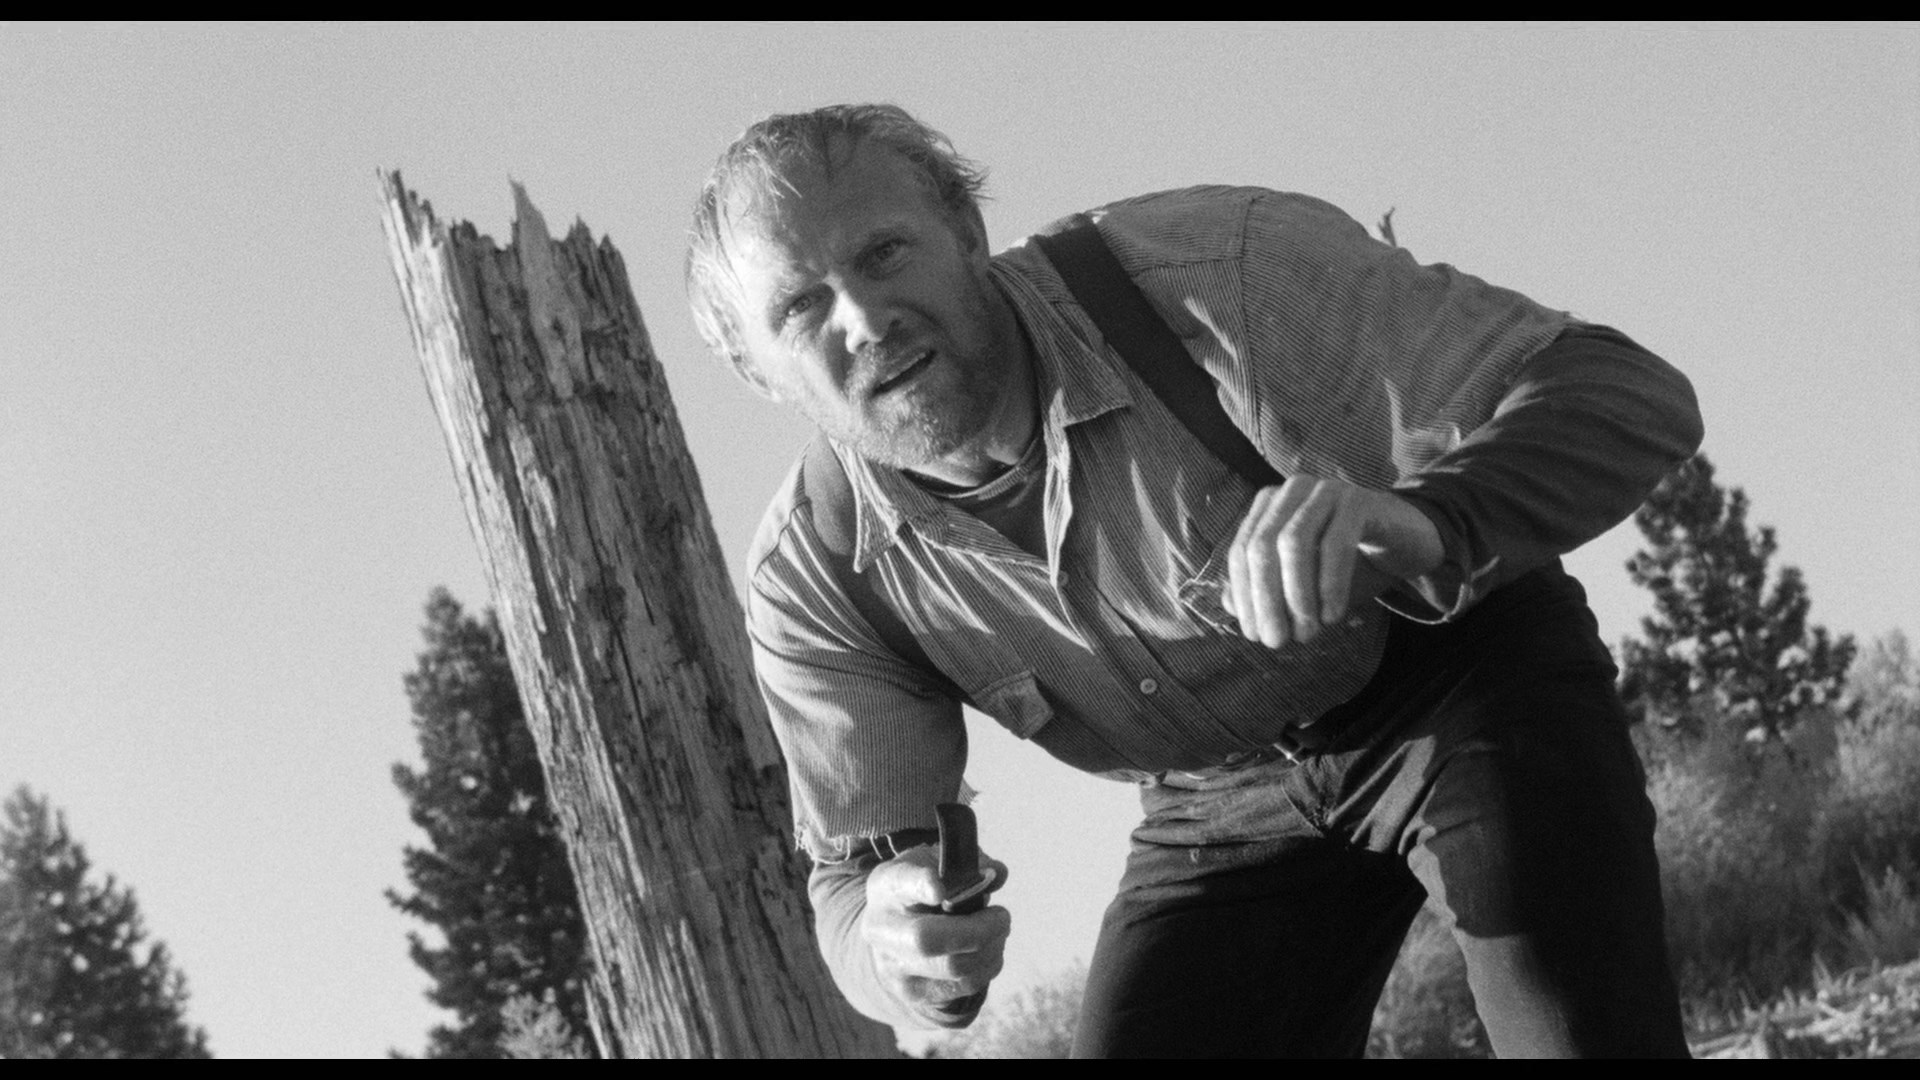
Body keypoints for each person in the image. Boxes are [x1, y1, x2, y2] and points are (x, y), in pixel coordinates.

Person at [684, 103, 1702, 1058]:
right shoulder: (820, 572)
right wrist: (898, 949)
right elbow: (855, 882)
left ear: (965, 233)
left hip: (1461, 677)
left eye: (885, 253)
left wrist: (1432, 519)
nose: (865, 319)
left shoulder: (1212, 271)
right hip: (1215, 805)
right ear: (756, 373)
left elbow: (1627, 392)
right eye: (801, 306)